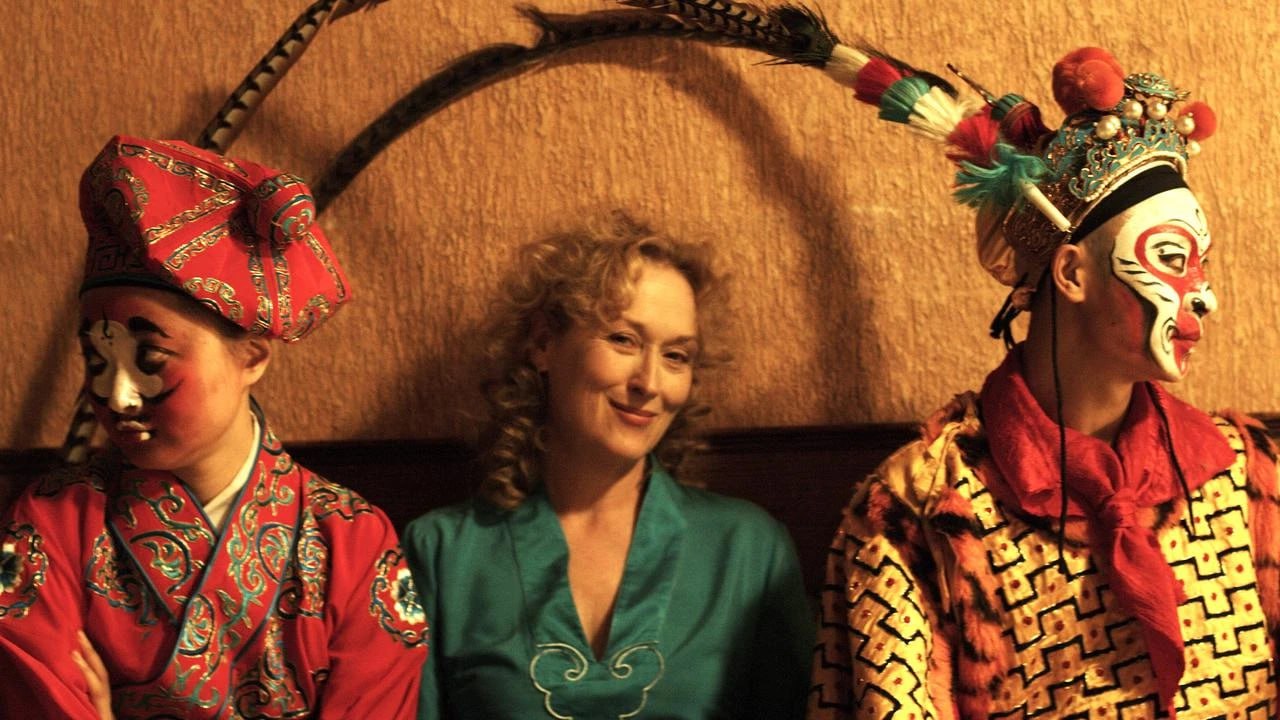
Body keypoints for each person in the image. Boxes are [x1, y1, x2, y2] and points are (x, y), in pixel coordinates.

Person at [802, 47, 1280, 717]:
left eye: (1201, 264)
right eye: (1173, 259)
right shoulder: (918, 511)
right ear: (1072, 273)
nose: (1204, 296)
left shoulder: (1249, 476)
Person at [0, 136, 428, 719]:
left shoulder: (352, 540)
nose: (117, 396)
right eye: (97, 361)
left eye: (150, 360)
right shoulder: (52, 523)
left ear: (252, 357)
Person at [402, 215, 814, 719]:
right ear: (543, 343)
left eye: (676, 356)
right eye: (623, 339)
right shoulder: (443, 552)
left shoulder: (748, 549)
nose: (650, 382)